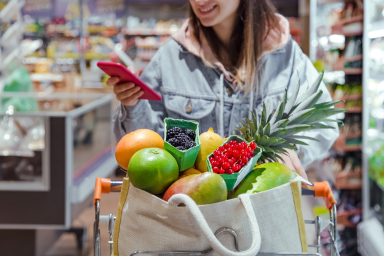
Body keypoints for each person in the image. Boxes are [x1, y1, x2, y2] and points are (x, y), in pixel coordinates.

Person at [108, 0, 339, 180]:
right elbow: (143, 151)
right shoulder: (170, 58)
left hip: (263, 218)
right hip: (191, 219)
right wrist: (133, 104)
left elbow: (326, 120)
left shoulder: (286, 56)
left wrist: (290, 149)